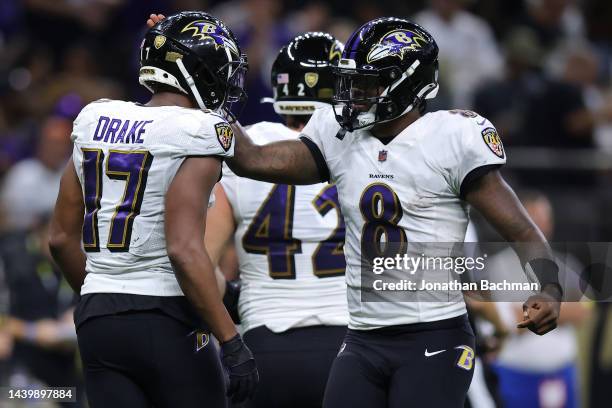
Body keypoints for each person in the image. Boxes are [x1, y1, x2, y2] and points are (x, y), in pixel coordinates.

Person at [224, 17, 562, 407]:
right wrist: (202, 86)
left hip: (433, 335)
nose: (356, 93)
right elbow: (252, 158)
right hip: (362, 339)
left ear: (410, 83)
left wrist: (549, 287)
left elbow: (521, 229)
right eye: (354, 81)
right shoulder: (338, 135)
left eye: (370, 82)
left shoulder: (451, 137)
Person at [48, 12, 258, 408]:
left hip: (97, 318)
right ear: (197, 71)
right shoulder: (200, 130)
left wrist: (104, 296)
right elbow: (183, 248)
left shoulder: (95, 118)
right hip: (166, 316)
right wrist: (231, 340)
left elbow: (60, 239)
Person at [207, 32, 348, 408]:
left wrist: (233, 298)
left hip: (266, 343)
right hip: (355, 345)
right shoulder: (364, 147)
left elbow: (199, 262)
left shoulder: (244, 148)